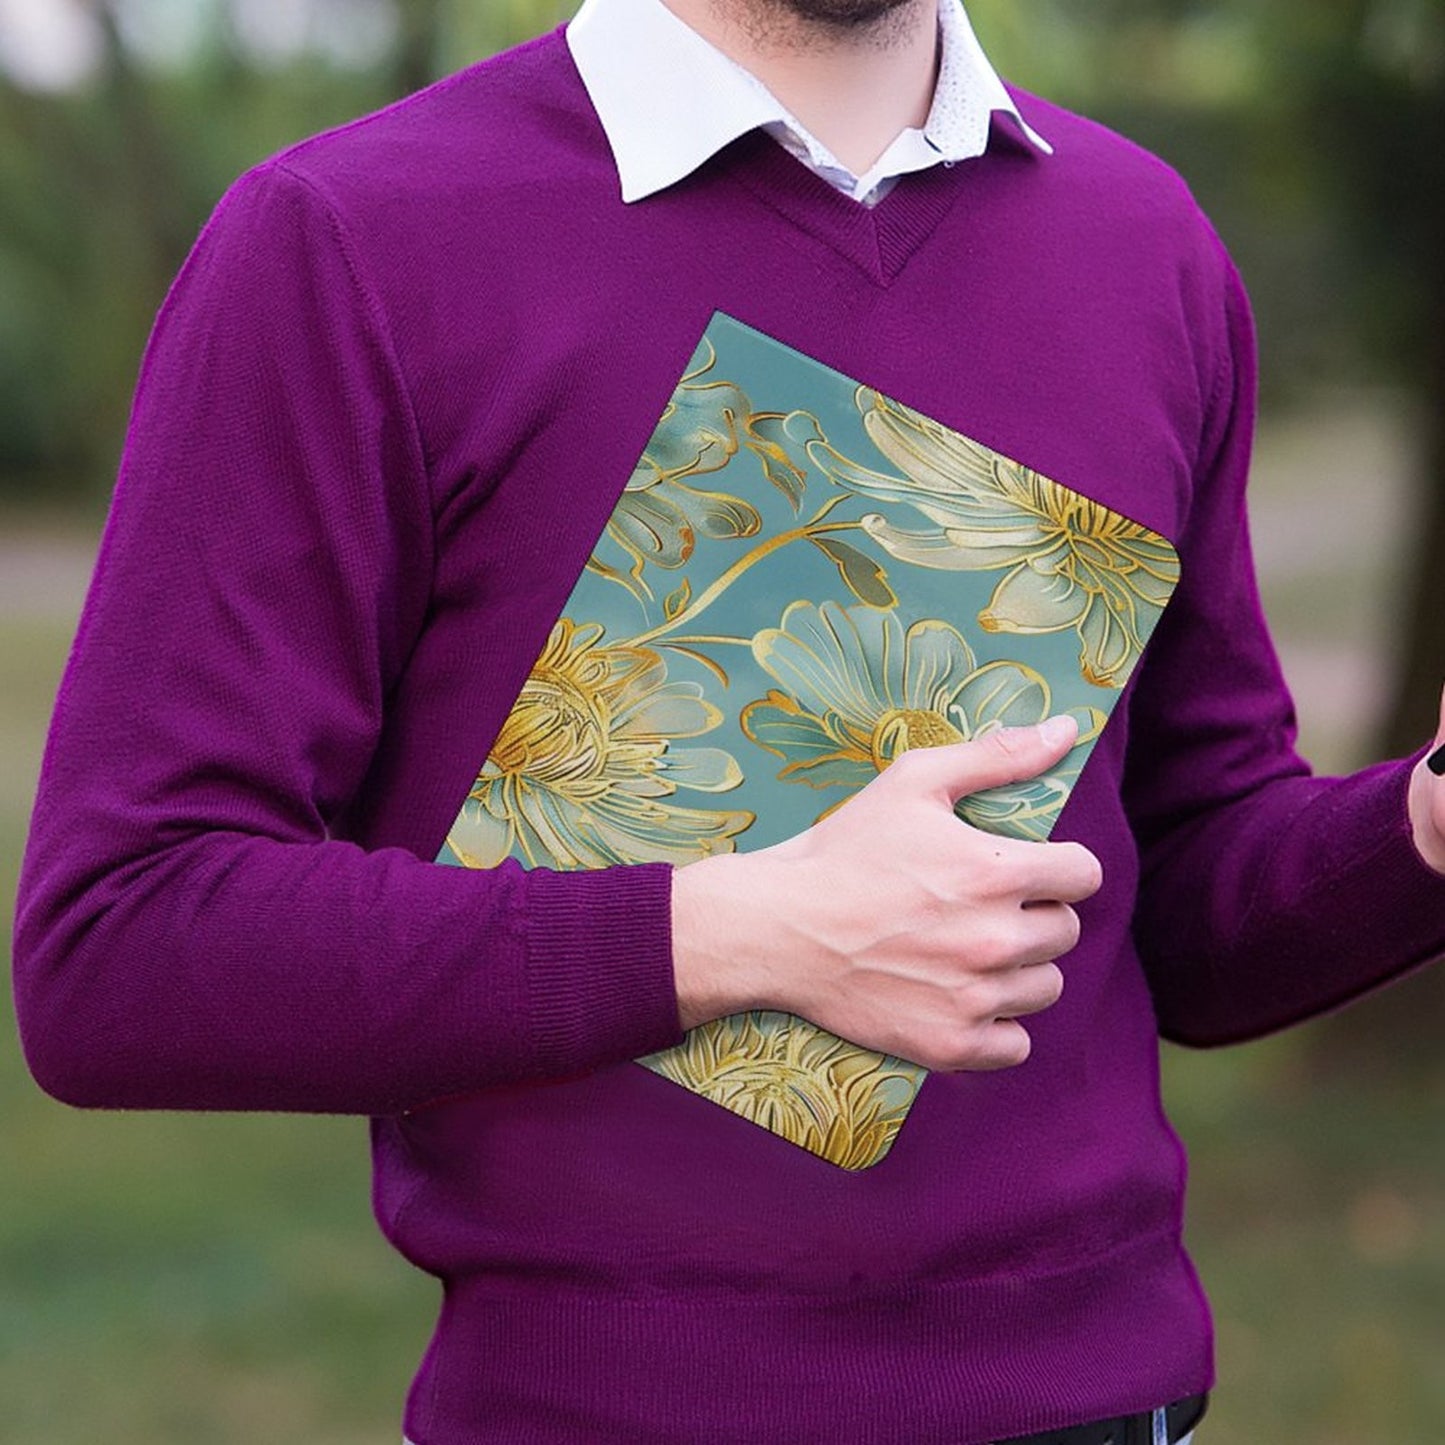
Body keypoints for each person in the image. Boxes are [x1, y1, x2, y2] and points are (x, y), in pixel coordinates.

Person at [13, 0, 1445, 1440]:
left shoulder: (1140, 237)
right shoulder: (353, 240)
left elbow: (1178, 899)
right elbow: (119, 944)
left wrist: (1422, 824)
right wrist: (732, 935)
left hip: (1118, 1403)